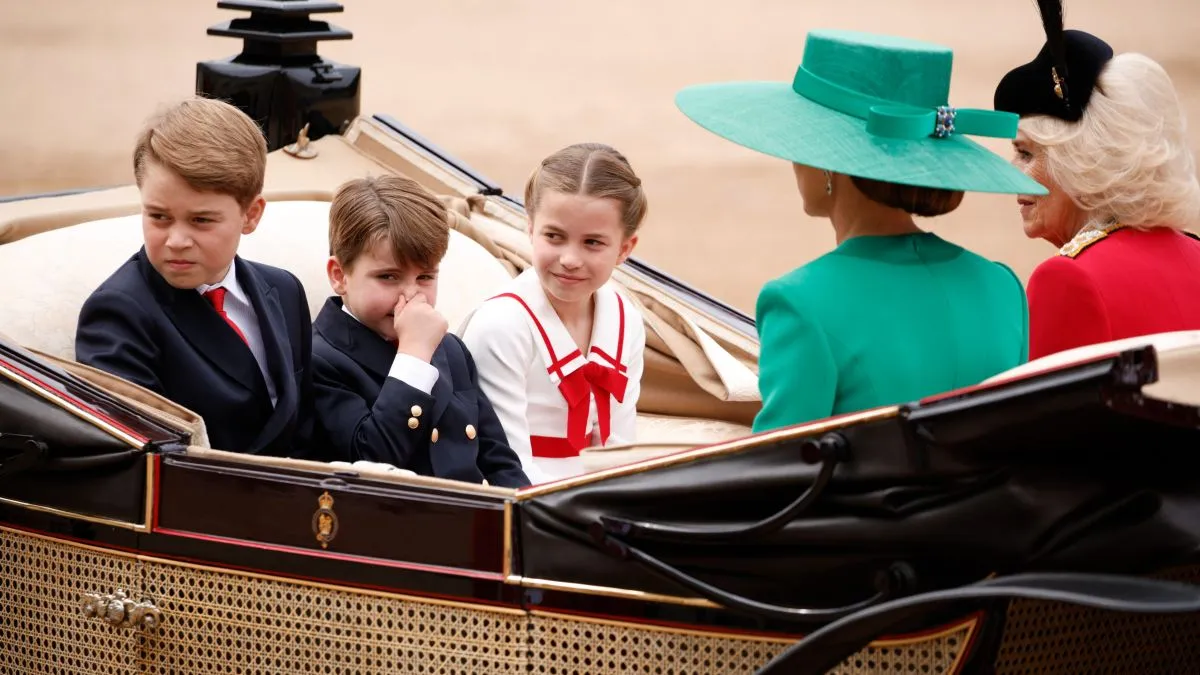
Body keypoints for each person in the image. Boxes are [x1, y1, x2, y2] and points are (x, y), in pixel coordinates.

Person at [673, 29, 1048, 432]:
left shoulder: (800, 303)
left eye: (803, 141)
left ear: (829, 164)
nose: (793, 160)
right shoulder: (1001, 286)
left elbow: (779, 472)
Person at [75, 97, 319, 457]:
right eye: (158, 217)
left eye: (201, 220)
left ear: (251, 215)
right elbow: (139, 463)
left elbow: (306, 427)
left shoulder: (284, 290)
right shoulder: (118, 314)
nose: (176, 241)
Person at [994, 0, 1200, 360]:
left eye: (1026, 154)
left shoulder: (1066, 279)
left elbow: (1044, 416)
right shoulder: (1195, 255)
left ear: (1081, 163)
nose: (1012, 171)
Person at [311, 175, 530, 488]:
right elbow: (371, 461)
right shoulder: (319, 358)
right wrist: (413, 355)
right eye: (388, 277)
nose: (411, 296)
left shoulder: (451, 350)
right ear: (339, 276)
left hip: (475, 522)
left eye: (426, 277)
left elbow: (498, 461)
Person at [460, 143, 647, 484]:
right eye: (554, 236)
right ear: (530, 228)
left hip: (598, 496)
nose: (570, 258)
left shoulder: (626, 319)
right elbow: (505, 464)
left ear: (625, 248)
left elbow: (621, 447)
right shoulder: (501, 326)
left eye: (592, 242)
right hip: (521, 500)